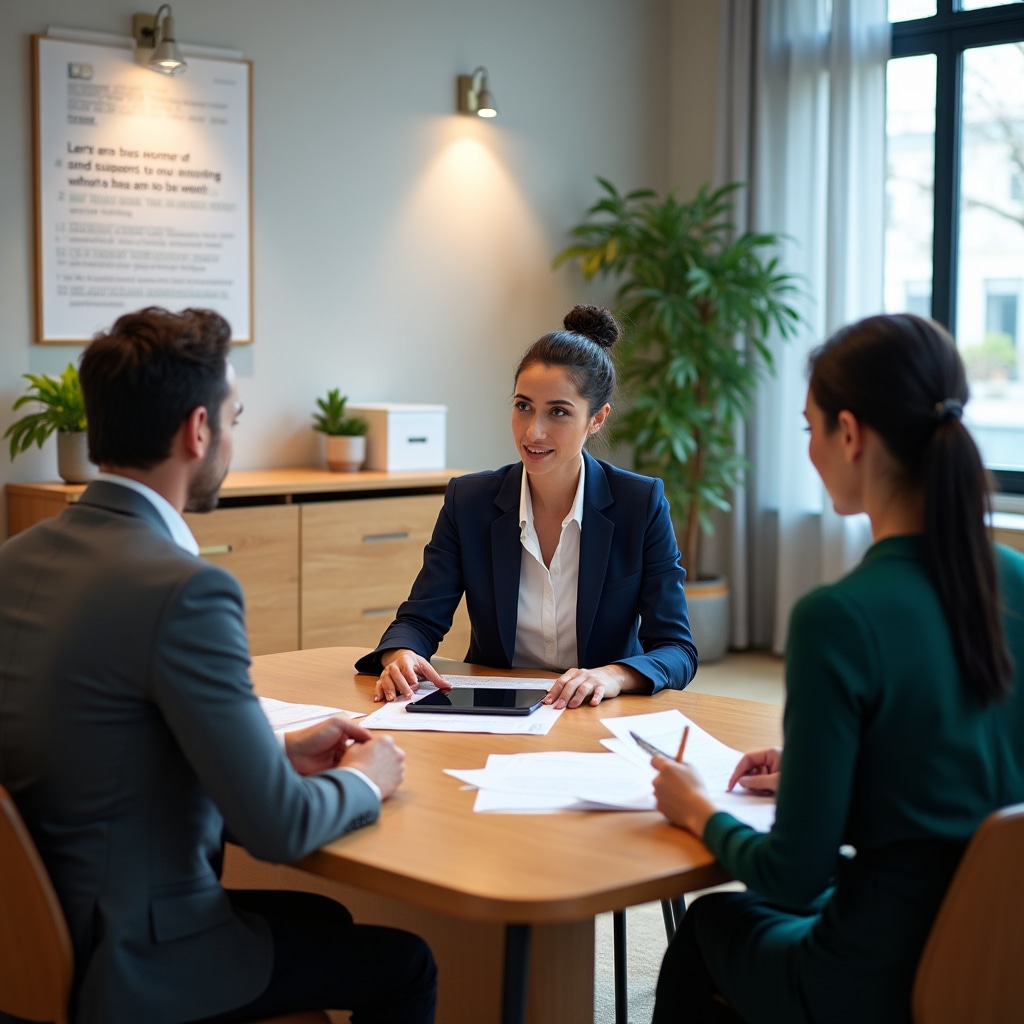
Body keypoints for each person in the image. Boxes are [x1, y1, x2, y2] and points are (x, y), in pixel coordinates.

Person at [0, 307, 436, 1024]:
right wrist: (366, 781)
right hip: (133, 961)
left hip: (31, 936)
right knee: (405, 966)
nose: (231, 439)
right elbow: (276, 829)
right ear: (197, 431)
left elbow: (106, 740)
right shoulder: (184, 589)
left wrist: (273, 753)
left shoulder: (16, 557)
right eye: (234, 419)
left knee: (324, 920)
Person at [648, 313, 1024, 1024]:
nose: (811, 451)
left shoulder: (838, 616)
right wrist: (828, 767)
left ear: (849, 435)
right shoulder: (1015, 579)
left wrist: (698, 809)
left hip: (879, 972)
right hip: (1002, 949)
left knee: (711, 928)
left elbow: (793, 878)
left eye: (809, 429)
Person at [356, 305, 697, 709]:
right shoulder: (469, 501)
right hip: (495, 711)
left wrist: (613, 675)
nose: (534, 431)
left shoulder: (639, 504)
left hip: (594, 711)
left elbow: (676, 649)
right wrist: (401, 656)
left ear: (597, 419)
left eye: (558, 412)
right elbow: (418, 620)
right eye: (523, 406)